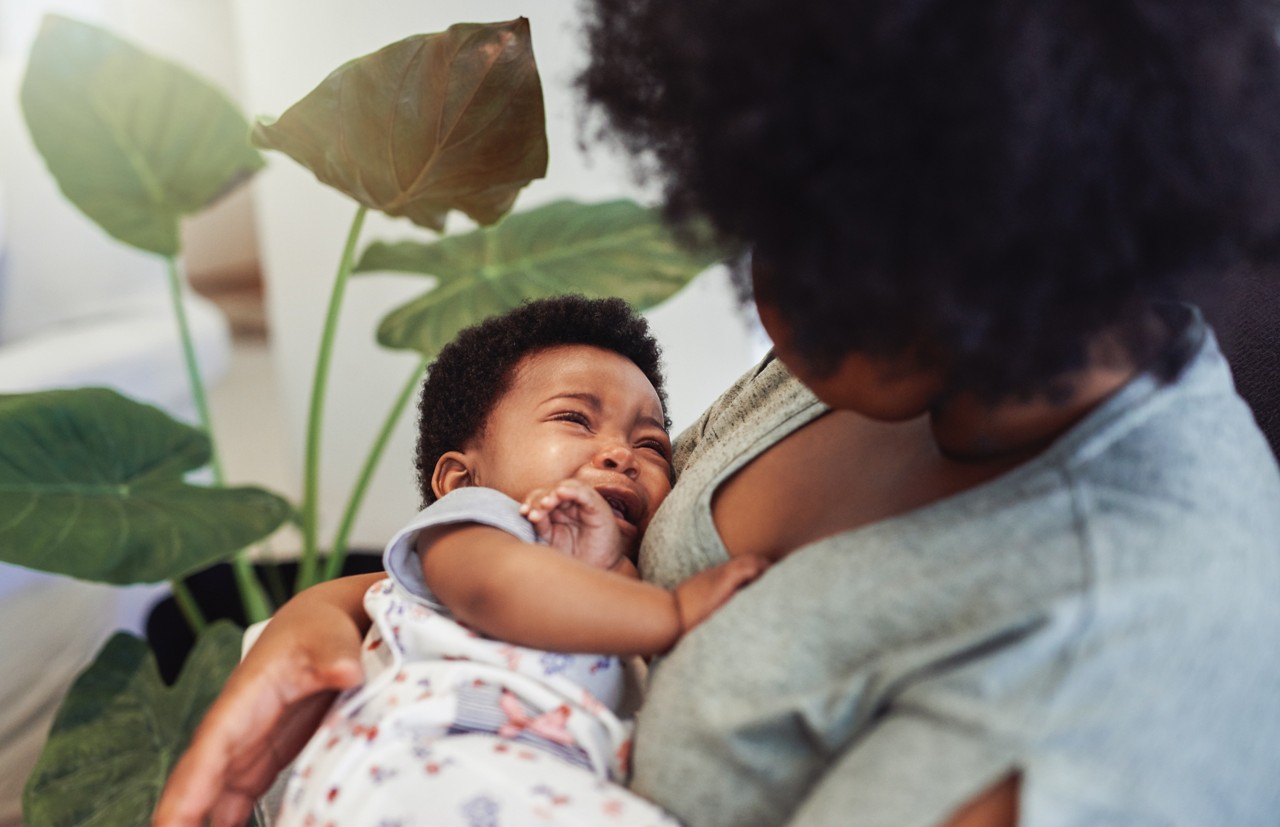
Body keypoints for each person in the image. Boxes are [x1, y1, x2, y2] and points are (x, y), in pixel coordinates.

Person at [155, 1, 1280, 825]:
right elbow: (579, 556)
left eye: (830, 244)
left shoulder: (1110, 682)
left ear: (1012, 229)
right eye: (765, 214)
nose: (768, 285)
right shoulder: (903, 352)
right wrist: (334, 615)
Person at [272, 296, 766, 826]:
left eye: (651, 446)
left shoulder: (632, 585)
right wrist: (673, 615)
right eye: (575, 418)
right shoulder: (477, 522)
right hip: (427, 767)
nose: (621, 454)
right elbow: (498, 588)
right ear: (461, 479)